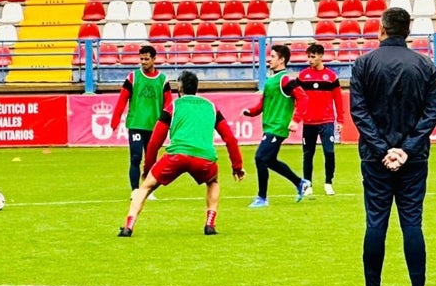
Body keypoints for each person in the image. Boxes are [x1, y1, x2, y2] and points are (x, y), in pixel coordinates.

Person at [350, 7, 436, 286]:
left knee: (376, 223)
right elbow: (431, 113)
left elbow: (359, 113)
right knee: (412, 223)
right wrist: (407, 149)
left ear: (382, 29)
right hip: (413, 160)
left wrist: (381, 149)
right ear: (408, 30)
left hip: (375, 159)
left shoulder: (363, 64)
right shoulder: (425, 65)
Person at [118, 71, 245, 237]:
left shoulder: (173, 107)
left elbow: (155, 142)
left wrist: (148, 168)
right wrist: (237, 166)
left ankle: (129, 226)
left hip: (176, 156)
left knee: (146, 187)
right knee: (213, 182)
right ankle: (210, 223)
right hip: (204, 158)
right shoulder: (211, 107)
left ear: (180, 88)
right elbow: (230, 138)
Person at [242, 44, 311, 206]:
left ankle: (262, 198)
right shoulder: (271, 80)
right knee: (270, 160)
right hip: (269, 126)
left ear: (281, 60)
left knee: (260, 158)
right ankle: (300, 183)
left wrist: (295, 120)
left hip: (278, 127)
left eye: (273, 57)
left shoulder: (285, 79)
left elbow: (303, 98)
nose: (269, 59)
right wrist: (250, 112)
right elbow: (263, 104)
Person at [109, 45, 173, 197]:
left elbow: (169, 105)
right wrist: (115, 120)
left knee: (151, 160)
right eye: (141, 59)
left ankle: (147, 190)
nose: (143, 62)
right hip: (136, 124)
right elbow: (122, 99)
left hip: (155, 126)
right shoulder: (133, 77)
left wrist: (170, 124)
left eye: (146, 59)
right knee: (135, 157)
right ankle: (135, 190)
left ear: (154, 59)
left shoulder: (163, 80)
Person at [297, 43, 345, 196]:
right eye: (309, 57)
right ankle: (308, 184)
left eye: (313, 56)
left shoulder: (331, 77)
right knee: (308, 154)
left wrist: (341, 120)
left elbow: (338, 99)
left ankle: (328, 182)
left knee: (329, 152)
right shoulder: (302, 76)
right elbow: (296, 97)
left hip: (327, 121)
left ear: (321, 56)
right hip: (309, 122)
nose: (310, 60)